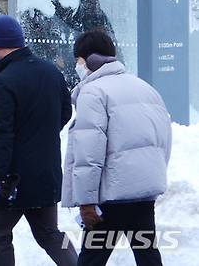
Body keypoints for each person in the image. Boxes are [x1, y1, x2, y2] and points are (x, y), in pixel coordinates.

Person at [62, 30, 172, 266]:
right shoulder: (145, 88)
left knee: (91, 259)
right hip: (143, 193)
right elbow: (163, 141)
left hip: (110, 196)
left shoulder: (93, 92)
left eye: (78, 61)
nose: (77, 67)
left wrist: (86, 202)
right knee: (148, 256)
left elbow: (88, 153)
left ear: (89, 60)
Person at [0, 15, 77, 266]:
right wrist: (42, 136)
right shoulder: (51, 72)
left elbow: (2, 134)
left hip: (11, 179)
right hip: (45, 173)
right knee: (50, 234)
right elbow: (65, 111)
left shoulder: (2, 82)